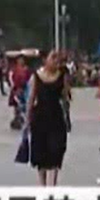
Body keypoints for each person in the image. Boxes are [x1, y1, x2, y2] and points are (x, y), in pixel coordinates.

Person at [27, 50, 70, 186]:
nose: (56, 60)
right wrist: (28, 119)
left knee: (57, 149)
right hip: (40, 117)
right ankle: (43, 184)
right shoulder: (36, 76)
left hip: (56, 116)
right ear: (45, 60)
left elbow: (65, 97)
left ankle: (53, 184)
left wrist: (67, 116)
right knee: (41, 151)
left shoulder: (62, 75)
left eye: (58, 58)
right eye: (53, 57)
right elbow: (31, 98)